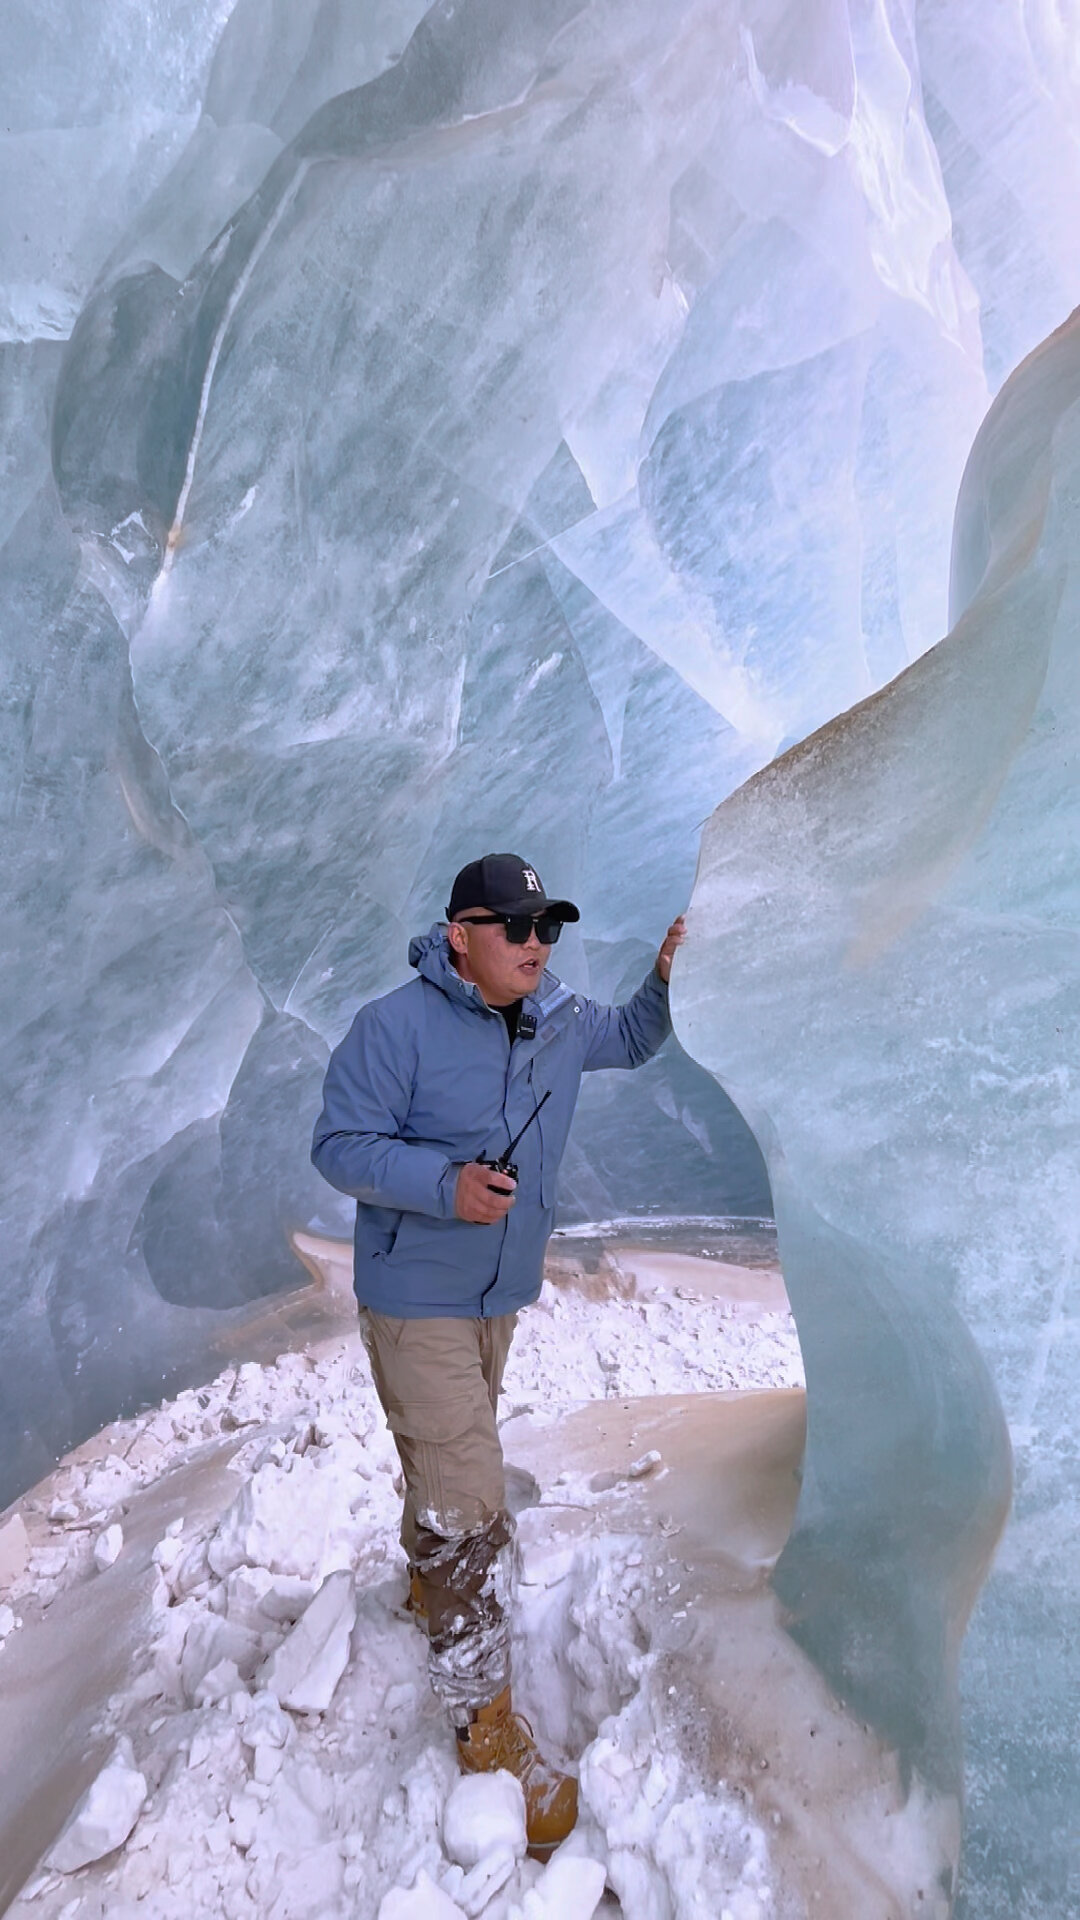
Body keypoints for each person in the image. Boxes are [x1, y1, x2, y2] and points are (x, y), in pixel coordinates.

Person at [311, 852, 685, 1852]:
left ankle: (424, 1575)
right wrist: (446, 1187)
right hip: (415, 1292)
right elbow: (340, 1146)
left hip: (496, 1295)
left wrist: (670, 975)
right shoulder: (394, 1027)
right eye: (515, 927)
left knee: (448, 1455)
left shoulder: (561, 1018)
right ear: (460, 935)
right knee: (471, 1493)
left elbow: (638, 1038)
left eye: (547, 926)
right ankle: (486, 1725)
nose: (536, 944)